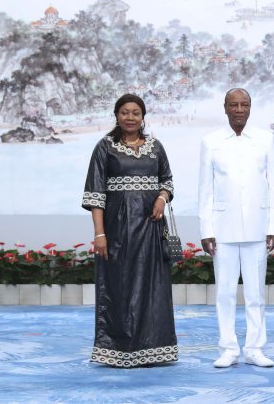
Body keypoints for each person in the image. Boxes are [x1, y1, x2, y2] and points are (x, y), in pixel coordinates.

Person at [82, 93, 177, 368]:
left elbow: (168, 181)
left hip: (152, 228)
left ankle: (153, 348)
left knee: (152, 285)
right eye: (125, 112)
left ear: (143, 117)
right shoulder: (104, 148)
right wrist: (100, 234)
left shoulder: (156, 147)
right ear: (117, 115)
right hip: (118, 230)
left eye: (136, 112)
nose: (131, 117)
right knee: (119, 285)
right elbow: (95, 195)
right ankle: (119, 349)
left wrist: (161, 198)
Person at [198, 88, 274, 368]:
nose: (238, 109)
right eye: (233, 105)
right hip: (222, 230)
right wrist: (205, 230)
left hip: (258, 229)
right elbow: (205, 190)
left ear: (250, 107)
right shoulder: (211, 142)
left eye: (244, 104)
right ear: (224, 108)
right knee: (224, 292)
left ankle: (255, 348)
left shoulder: (265, 139)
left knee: (256, 293)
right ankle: (228, 348)